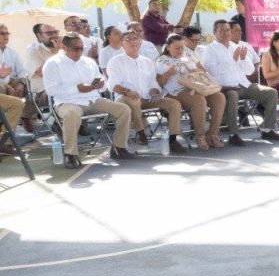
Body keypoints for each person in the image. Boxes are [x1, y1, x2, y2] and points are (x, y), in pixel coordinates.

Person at [42, 33, 133, 168]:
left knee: (123, 109)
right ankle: (70, 154)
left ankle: (119, 148)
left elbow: (102, 81)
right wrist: (77, 89)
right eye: (75, 48)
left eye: (81, 48)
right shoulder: (53, 63)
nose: (79, 51)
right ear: (64, 47)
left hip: (92, 99)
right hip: (67, 101)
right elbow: (51, 90)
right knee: (72, 113)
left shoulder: (89, 62)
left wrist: (101, 84)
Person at [201, 19, 279, 146]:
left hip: (243, 84)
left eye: (227, 30)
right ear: (214, 32)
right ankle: (234, 134)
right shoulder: (209, 49)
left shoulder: (236, 47)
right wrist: (233, 60)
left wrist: (243, 58)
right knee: (232, 96)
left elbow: (250, 70)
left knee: (271, 93)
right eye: (222, 30)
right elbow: (212, 70)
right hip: (226, 87)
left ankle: (267, 129)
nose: (226, 33)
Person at [106, 31, 188, 153]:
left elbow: (153, 84)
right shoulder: (115, 61)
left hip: (147, 98)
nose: (133, 41)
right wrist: (127, 91)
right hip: (125, 97)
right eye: (128, 39)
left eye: (135, 38)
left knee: (174, 104)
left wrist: (154, 92)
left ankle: (173, 140)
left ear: (140, 42)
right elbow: (112, 84)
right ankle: (141, 132)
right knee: (134, 100)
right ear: (122, 44)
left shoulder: (147, 61)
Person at [157, 34, 226, 151]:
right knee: (198, 100)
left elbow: (202, 70)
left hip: (196, 87)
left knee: (219, 97)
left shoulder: (188, 56)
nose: (180, 50)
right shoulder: (162, 60)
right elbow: (158, 83)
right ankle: (200, 136)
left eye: (182, 47)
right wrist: (167, 74)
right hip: (175, 91)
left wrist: (196, 71)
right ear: (168, 47)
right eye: (176, 48)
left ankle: (212, 134)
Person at [25, 23, 61, 122]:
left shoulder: (65, 50)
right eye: (49, 33)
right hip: (43, 92)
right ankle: (60, 123)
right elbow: (43, 72)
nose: (54, 35)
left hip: (66, 86)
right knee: (61, 93)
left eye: (55, 32)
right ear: (40, 36)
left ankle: (78, 122)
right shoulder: (33, 52)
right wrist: (57, 52)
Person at [0, 23, 27, 150]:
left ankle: (27, 115)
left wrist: (21, 84)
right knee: (15, 102)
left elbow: (23, 72)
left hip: (9, 83)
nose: (6, 36)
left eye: (7, 33)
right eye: (2, 33)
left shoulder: (12, 51)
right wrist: (5, 83)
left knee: (24, 85)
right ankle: (4, 141)